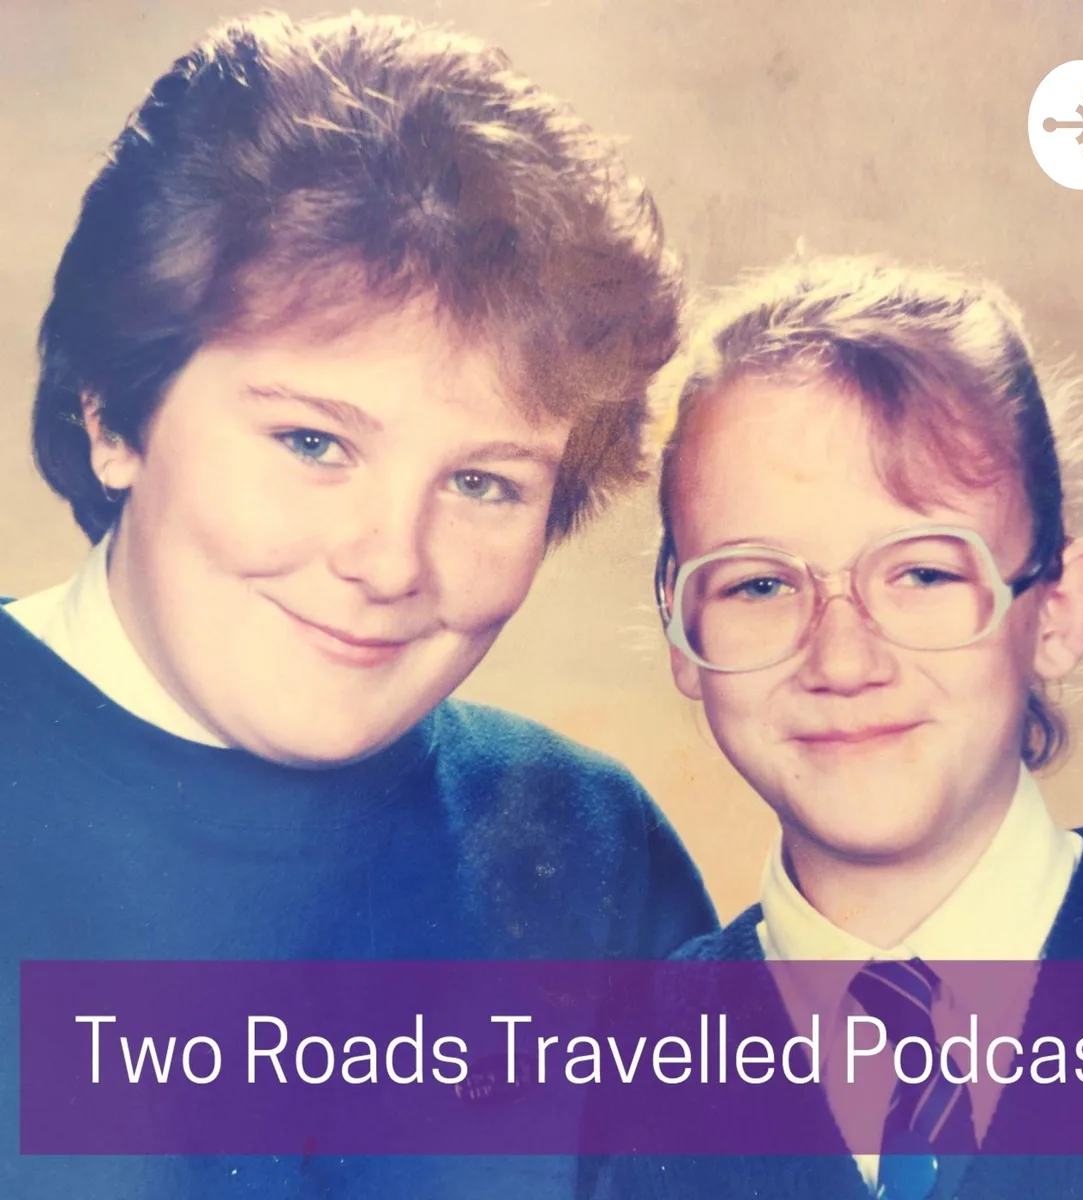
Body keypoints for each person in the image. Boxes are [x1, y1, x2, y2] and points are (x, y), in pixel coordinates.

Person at [0, 11, 717, 1198]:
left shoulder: (588, 851)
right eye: (312, 441)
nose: (391, 563)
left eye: (483, 484)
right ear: (112, 415)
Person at [588, 254, 1083, 1197]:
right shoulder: (626, 1084)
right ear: (680, 627)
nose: (842, 661)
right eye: (760, 584)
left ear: (1058, 610)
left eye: (923, 573)